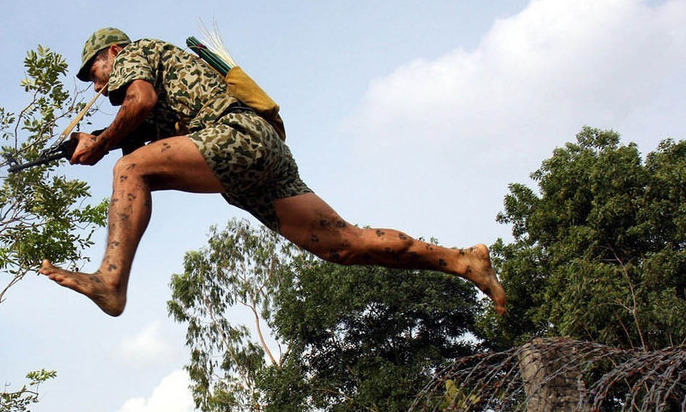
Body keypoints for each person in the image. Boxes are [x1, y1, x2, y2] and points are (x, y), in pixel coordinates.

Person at [39, 28, 507, 317]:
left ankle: (111, 280)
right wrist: (91, 140)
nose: (97, 84)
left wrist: (101, 144)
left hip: (236, 135)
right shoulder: (150, 94)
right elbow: (144, 130)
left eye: (94, 71)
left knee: (128, 168)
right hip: (262, 161)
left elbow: (139, 105)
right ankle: (463, 260)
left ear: (113, 52)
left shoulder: (136, 55)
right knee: (344, 244)